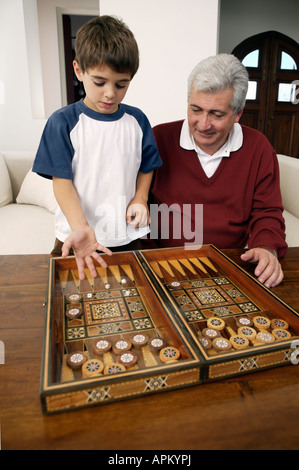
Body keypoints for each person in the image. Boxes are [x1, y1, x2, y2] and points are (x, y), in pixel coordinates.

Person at [33, 16, 161, 280]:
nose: (110, 93)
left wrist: (140, 198)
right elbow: (62, 182)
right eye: (100, 82)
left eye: (121, 84)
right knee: (67, 303)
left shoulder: (137, 120)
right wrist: (81, 227)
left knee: (131, 306)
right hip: (75, 237)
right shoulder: (62, 122)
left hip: (125, 236)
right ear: (79, 71)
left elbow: (147, 166)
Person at [146, 53, 287, 288]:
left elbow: (268, 212)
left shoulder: (258, 147)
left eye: (216, 114)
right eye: (196, 109)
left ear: (238, 113)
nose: (203, 124)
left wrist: (265, 247)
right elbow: (136, 204)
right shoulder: (158, 138)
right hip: (162, 265)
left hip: (229, 267)